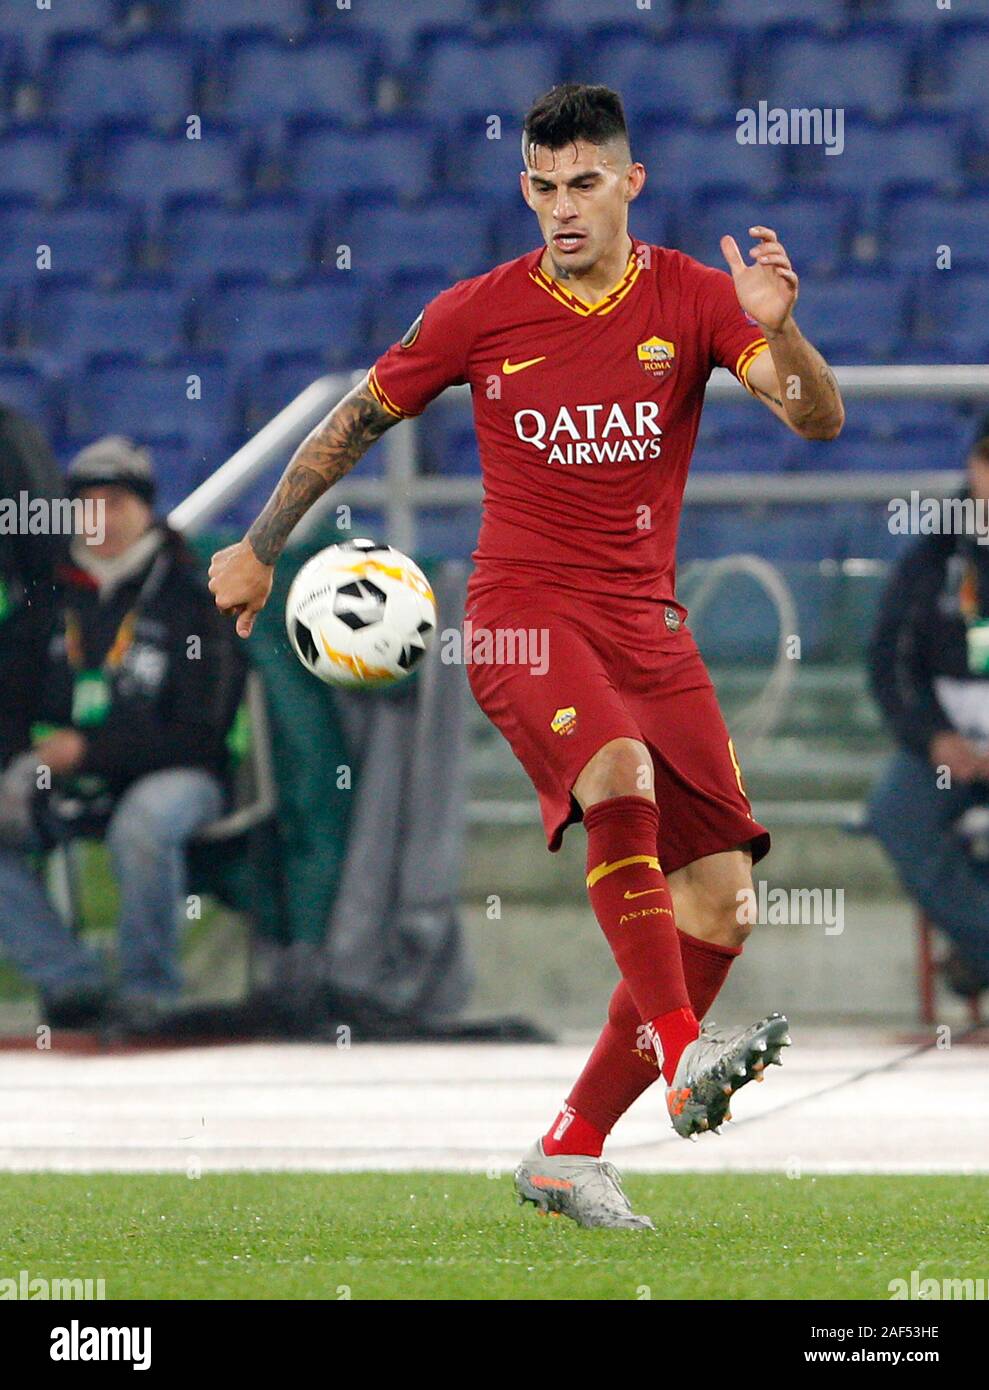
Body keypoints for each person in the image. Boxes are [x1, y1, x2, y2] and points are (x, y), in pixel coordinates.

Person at [207, 84, 844, 1227]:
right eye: (542, 186)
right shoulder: (479, 310)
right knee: (617, 777)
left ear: (628, 184)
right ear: (524, 190)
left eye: (584, 183)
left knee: (721, 906)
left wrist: (782, 328)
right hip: (521, 613)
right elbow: (354, 415)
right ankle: (685, 1048)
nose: (561, 206)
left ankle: (567, 1148)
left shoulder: (694, 299)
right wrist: (260, 546)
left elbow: (814, 421)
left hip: (647, 627)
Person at [0, 436, 246, 1028]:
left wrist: (89, 750)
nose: (101, 519)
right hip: (63, 775)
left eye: (117, 502)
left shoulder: (194, 593)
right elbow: (7, 702)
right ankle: (73, 983)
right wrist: (15, 766)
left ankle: (149, 994)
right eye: (87, 504)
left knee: (144, 823)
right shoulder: (46, 596)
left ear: (147, 509)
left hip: (180, 777)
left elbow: (202, 732)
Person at [867, 431, 989, 1000]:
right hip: (948, 748)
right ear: (973, 466)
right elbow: (889, 661)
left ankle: (976, 950)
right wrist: (934, 738)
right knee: (895, 811)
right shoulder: (935, 552)